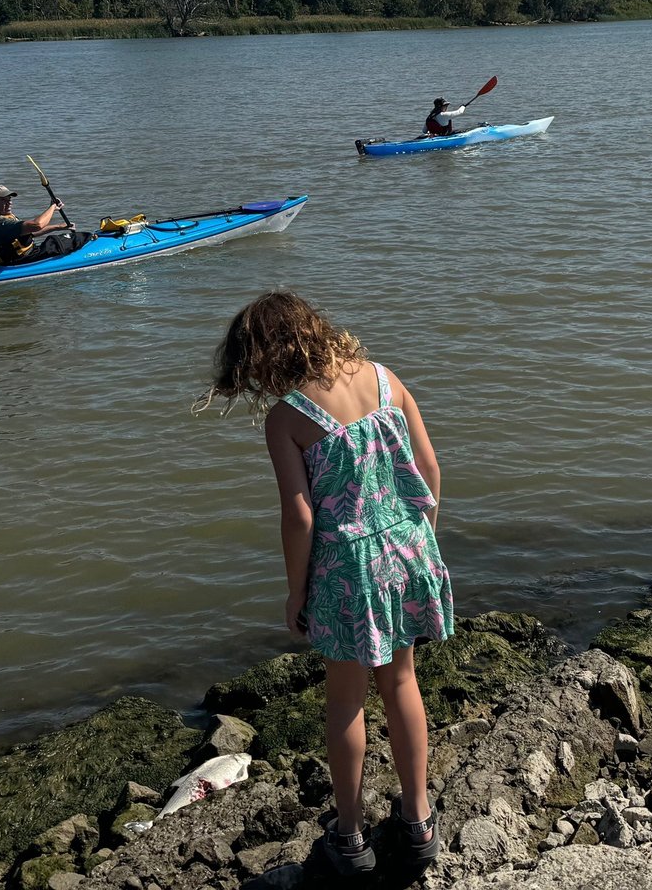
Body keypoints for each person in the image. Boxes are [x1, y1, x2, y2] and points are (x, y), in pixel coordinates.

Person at [203, 291, 452, 875]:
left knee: (345, 699)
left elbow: (301, 516)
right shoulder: (384, 378)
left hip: (349, 564)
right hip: (409, 543)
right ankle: (417, 823)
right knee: (402, 679)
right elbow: (431, 469)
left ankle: (349, 836)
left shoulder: (287, 415)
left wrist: (297, 592)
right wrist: (423, 542)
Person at [0, 184, 93, 265]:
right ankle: (92, 244)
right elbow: (37, 225)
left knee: (57, 236)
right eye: (3, 200)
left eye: (9, 199)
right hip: (24, 260)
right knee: (76, 238)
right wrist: (52, 207)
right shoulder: (1, 224)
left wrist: (59, 227)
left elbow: (30, 232)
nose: (9, 203)